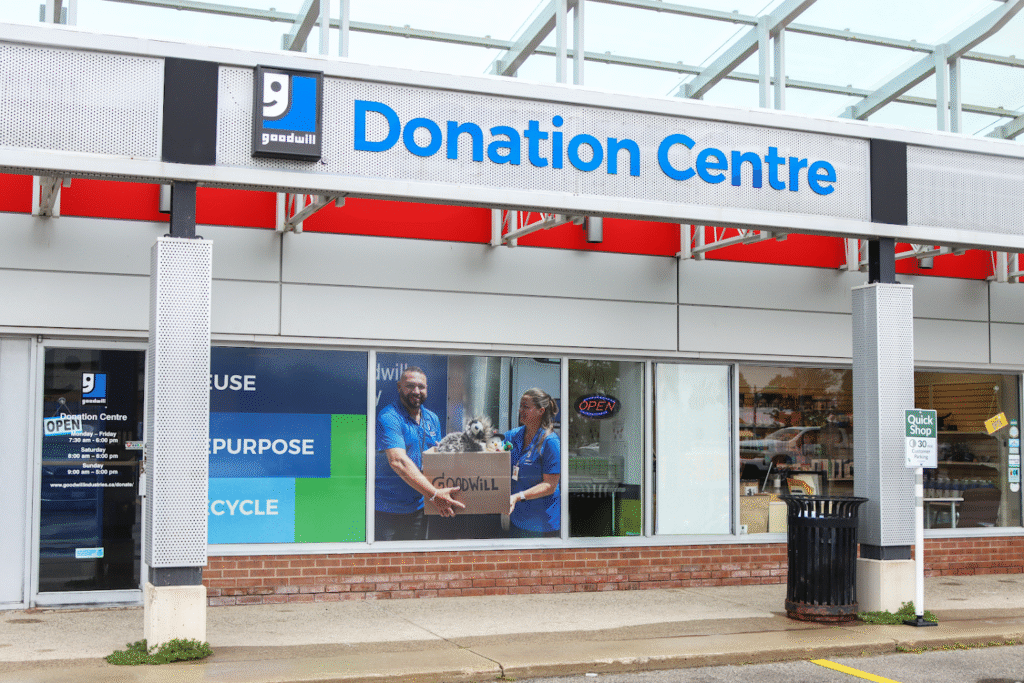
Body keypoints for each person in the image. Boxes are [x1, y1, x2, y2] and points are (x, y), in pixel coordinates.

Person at [375, 366, 464, 541]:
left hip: (420, 507)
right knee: (386, 558)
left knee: (414, 558)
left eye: (421, 387)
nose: (416, 391)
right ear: (399, 387)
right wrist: (434, 494)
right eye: (410, 386)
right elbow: (398, 461)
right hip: (388, 509)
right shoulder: (389, 417)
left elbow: (436, 460)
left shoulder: (432, 419)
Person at [507, 388, 561, 538]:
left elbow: (550, 485)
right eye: (520, 406)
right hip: (517, 519)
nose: (520, 410)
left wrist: (518, 496)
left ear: (540, 411)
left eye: (526, 407)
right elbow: (493, 446)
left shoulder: (550, 441)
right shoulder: (514, 435)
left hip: (542, 524)